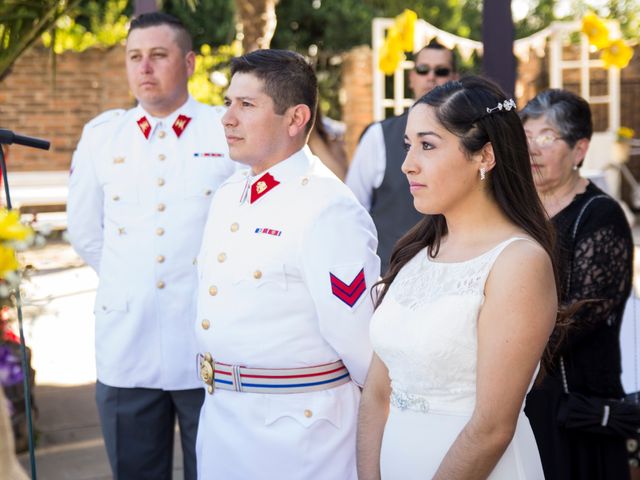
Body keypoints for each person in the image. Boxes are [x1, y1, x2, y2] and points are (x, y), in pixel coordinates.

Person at [357, 76, 558, 479]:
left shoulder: (518, 262)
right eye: (408, 145)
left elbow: (492, 427)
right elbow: (377, 393)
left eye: (428, 145)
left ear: (484, 156)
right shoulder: (415, 254)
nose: (408, 163)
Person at [194, 49, 380, 479]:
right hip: (223, 422)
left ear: (296, 119)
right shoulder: (229, 194)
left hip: (299, 437)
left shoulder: (327, 207)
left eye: (246, 105)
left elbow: (363, 349)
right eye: (227, 103)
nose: (227, 118)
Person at [67, 12, 235, 479]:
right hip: (128, 342)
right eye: (134, 57)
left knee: (216, 469)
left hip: (209, 343)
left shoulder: (223, 130)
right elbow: (85, 231)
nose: (144, 67)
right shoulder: (103, 136)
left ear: (189, 63)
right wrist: (132, 281)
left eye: (158, 56)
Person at [521, 89, 633, 480]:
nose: (532, 148)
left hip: (574, 406)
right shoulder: (514, 213)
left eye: (547, 137)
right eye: (525, 136)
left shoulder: (599, 216)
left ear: (579, 149)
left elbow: (579, 316)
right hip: (517, 398)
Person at [346, 39, 457, 272]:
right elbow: (353, 212)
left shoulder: (468, 139)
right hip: (390, 278)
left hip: (454, 272)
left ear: (454, 78)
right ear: (412, 77)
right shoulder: (379, 135)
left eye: (441, 71)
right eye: (423, 69)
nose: (431, 77)